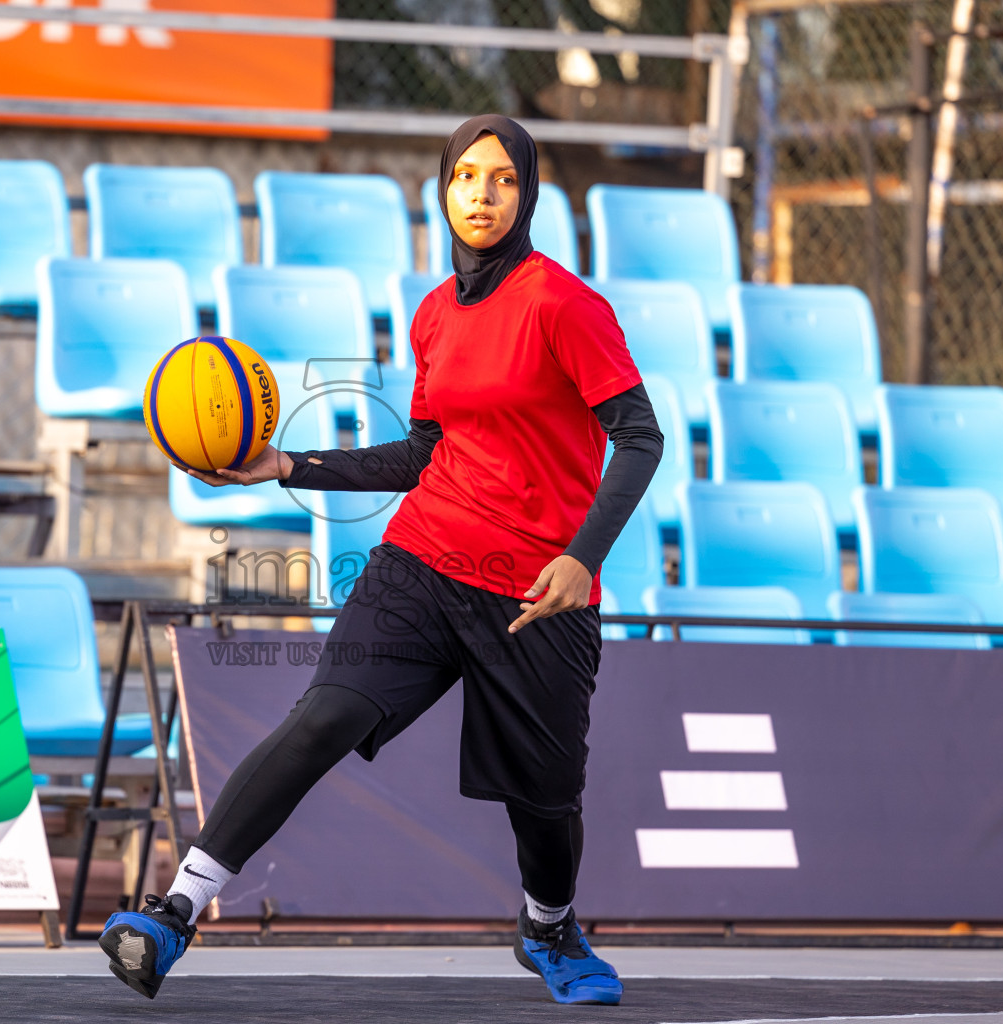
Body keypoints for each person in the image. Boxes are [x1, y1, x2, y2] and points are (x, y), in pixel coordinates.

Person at [97, 114, 665, 1006]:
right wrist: (289, 465)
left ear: (529, 194)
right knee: (323, 716)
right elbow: (425, 453)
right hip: (422, 561)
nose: (483, 195)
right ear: (443, 189)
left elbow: (639, 437)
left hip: (535, 594)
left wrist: (580, 557)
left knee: (546, 802)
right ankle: (172, 914)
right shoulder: (435, 315)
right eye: (467, 176)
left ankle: (547, 928)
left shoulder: (563, 304)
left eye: (504, 179)